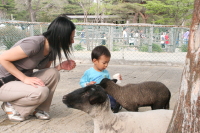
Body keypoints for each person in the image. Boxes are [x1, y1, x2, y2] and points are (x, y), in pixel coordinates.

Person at [0, 15, 76, 122]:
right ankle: (11, 105)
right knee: (41, 92)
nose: (72, 41)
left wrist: (60, 67)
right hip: (3, 82)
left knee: (53, 73)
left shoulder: (52, 49)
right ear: (60, 36)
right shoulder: (34, 43)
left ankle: (39, 109)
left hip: (18, 81)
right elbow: (3, 58)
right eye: (71, 38)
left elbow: (45, 70)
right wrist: (25, 79)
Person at [79, 45, 121, 112]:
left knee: (113, 97)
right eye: (104, 63)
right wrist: (88, 84)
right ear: (95, 61)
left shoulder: (106, 72)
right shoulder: (89, 72)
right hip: (93, 93)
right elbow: (81, 82)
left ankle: (114, 106)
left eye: (107, 62)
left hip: (104, 93)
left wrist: (116, 79)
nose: (106, 65)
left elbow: (109, 84)